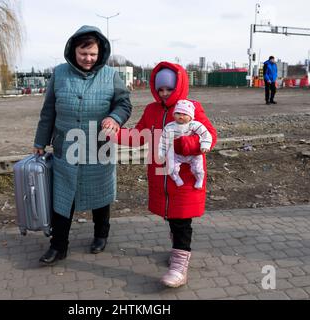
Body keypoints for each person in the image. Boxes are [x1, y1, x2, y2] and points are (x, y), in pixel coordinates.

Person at [33, 25, 132, 265]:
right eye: (83, 53)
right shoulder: (59, 73)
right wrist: (40, 141)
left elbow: (124, 104)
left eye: (93, 54)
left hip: (99, 146)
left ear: (101, 53)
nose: (88, 59)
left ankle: (101, 234)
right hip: (66, 147)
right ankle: (58, 246)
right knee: (62, 197)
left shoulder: (111, 75)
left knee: (101, 194)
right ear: (73, 50)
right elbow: (48, 112)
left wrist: (115, 118)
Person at [115, 62, 217, 288]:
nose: (163, 93)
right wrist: (115, 134)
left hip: (185, 175)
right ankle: (177, 252)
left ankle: (180, 265)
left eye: (168, 89)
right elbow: (139, 135)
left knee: (182, 220)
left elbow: (208, 134)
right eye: (160, 89)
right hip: (161, 173)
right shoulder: (152, 110)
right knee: (171, 217)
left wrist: (185, 145)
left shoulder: (191, 108)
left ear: (178, 86)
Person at [158, 99, 213, 189]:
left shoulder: (194, 125)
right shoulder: (169, 127)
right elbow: (163, 140)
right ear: (174, 114)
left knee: (198, 168)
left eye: (184, 114)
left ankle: (199, 179)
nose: (181, 116)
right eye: (178, 113)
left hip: (193, 153)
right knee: (171, 167)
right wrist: (162, 152)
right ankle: (176, 178)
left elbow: (205, 134)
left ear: (191, 116)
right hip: (176, 153)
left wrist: (205, 145)